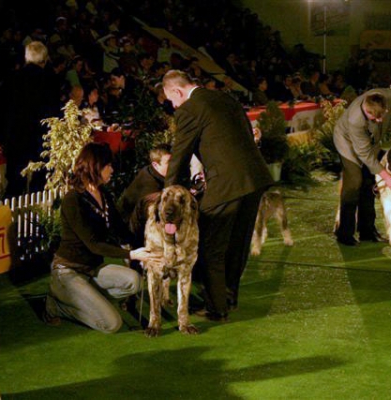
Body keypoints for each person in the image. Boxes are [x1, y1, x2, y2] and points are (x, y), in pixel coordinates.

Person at [162, 70, 274, 321]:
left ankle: (216, 307)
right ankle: (228, 298)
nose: (174, 106)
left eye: (172, 101)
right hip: (254, 179)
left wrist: (169, 193)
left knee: (211, 245)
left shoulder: (189, 109)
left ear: (177, 92)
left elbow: (180, 154)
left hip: (226, 184)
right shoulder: (225, 98)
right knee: (238, 243)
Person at [43, 143, 162, 332]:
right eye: (108, 165)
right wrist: (132, 254)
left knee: (135, 281)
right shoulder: (73, 200)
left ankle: (90, 298)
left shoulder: (104, 195)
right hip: (68, 271)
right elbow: (94, 245)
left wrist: (150, 244)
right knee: (111, 324)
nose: (112, 170)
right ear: (96, 167)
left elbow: (121, 229)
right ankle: (55, 305)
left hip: (93, 269)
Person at [333, 89, 391, 246]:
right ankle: (344, 233)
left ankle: (367, 231)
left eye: (382, 116)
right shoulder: (355, 120)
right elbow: (365, 155)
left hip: (371, 142)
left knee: (369, 183)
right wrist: (387, 177)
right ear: (366, 110)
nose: (380, 120)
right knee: (354, 183)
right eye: (375, 118)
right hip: (347, 143)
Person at [2, 41, 60, 196]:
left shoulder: (13, 78)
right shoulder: (49, 80)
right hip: (39, 139)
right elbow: (53, 112)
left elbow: (4, 110)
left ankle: (8, 217)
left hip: (16, 138)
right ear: (45, 59)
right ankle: (34, 218)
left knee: (14, 183)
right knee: (38, 185)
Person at [117, 143, 171, 224]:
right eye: (168, 163)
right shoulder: (151, 187)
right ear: (155, 165)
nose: (173, 165)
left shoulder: (151, 171)